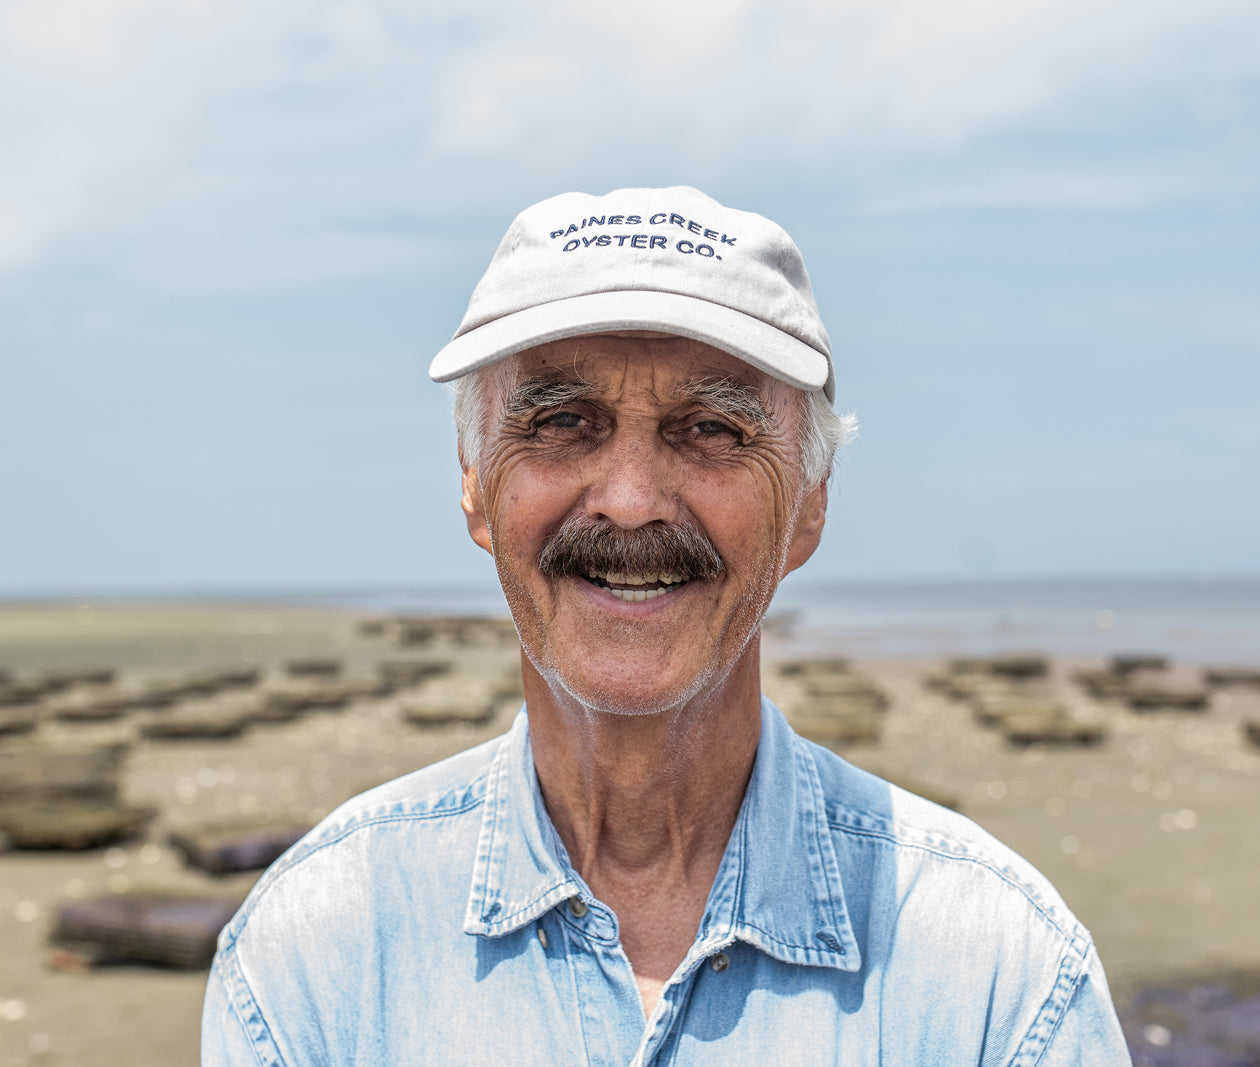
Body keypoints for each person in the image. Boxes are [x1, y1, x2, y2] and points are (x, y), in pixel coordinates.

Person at [202, 186, 1131, 1065]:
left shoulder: (999, 973)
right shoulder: (315, 950)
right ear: (475, 483)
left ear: (809, 502)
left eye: (712, 429)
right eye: (563, 421)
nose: (633, 501)